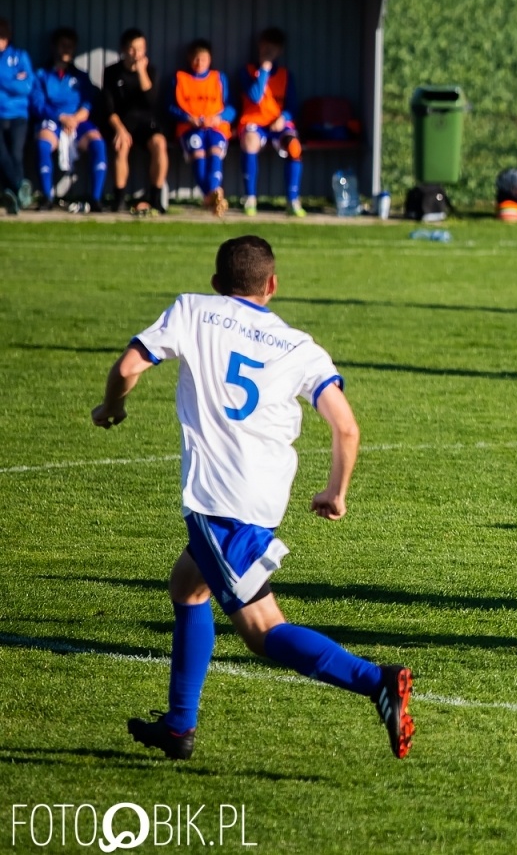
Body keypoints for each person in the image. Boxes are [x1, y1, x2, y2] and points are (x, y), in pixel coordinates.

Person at [92, 235, 414, 760]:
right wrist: (335, 492)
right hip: (261, 496)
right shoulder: (300, 345)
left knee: (263, 632)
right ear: (273, 285)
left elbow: (128, 368)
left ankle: (375, 680)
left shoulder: (193, 310)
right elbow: (346, 428)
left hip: (221, 503)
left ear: (216, 283)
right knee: (188, 586)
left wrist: (111, 408)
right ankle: (178, 726)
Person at [30, 27, 107, 210]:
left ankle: (95, 199)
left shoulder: (81, 76)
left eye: (70, 46)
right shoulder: (42, 74)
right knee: (43, 144)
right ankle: (47, 197)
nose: (66, 49)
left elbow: (89, 100)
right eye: (63, 45)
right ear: (54, 47)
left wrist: (78, 117)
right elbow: (37, 104)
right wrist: (60, 117)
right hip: (53, 119)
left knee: (98, 143)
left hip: (77, 120)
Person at [237, 26, 305, 217]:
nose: (268, 51)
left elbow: (292, 107)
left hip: (278, 124)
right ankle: (250, 198)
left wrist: (284, 118)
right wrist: (264, 70)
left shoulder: (285, 75)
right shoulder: (247, 71)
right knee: (250, 141)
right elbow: (256, 96)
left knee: (294, 147)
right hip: (254, 123)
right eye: (266, 46)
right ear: (260, 46)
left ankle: (293, 200)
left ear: (280, 51)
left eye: (273, 48)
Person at [102, 28, 170, 214]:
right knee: (121, 145)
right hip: (122, 124)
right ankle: (119, 200)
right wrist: (120, 130)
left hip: (147, 124)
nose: (137, 54)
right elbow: (108, 109)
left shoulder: (150, 71)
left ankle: (155, 199)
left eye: (141, 49)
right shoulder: (111, 72)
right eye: (132, 49)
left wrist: (141, 72)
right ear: (124, 50)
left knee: (160, 144)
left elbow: (151, 101)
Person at [170, 39, 234, 217]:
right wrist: (187, 118)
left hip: (216, 127)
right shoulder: (180, 78)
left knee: (215, 153)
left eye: (203, 59)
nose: (199, 63)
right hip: (190, 128)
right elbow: (170, 107)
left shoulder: (219, 78)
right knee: (198, 156)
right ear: (189, 59)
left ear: (210, 59)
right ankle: (214, 195)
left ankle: (211, 196)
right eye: (196, 59)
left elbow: (231, 107)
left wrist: (218, 118)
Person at [0, 18, 35, 211]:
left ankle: (13, 196)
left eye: (3, 35)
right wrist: (13, 78)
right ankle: (18, 189)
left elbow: (26, 87)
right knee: (2, 155)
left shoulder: (20, 56)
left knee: (16, 155)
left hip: (18, 114)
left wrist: (2, 79)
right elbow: (17, 84)